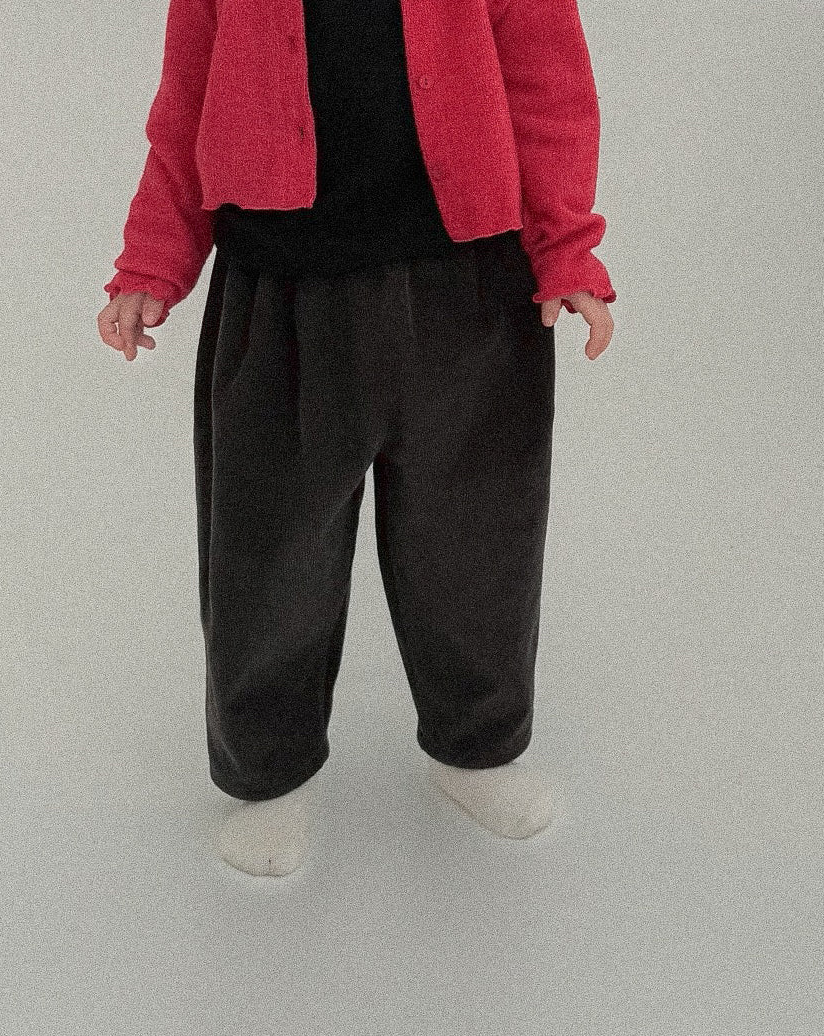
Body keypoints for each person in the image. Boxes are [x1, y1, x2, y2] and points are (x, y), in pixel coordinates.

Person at [96, 0, 617, 877]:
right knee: (268, 550)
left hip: (472, 280)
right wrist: (155, 255)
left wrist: (565, 244)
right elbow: (187, 96)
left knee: (477, 536)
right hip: (280, 281)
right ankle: (271, 770)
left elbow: (545, 74)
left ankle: (475, 743)